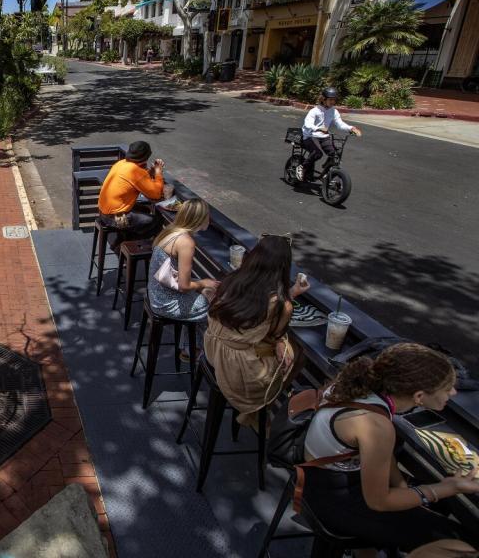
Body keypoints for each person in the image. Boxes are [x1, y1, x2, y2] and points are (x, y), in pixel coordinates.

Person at [302, 343, 479, 555]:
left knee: (441, 504)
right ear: (419, 397)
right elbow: (379, 501)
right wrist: (448, 488)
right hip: (332, 497)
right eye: (447, 387)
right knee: (463, 546)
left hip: (325, 477)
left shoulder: (363, 390)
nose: (453, 392)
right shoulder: (376, 425)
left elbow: (381, 458)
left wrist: (403, 486)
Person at [204, 235, 309, 427]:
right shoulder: (281, 304)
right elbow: (274, 334)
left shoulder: (234, 279)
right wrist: (280, 341)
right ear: (284, 267)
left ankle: (256, 412)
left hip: (212, 348)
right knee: (298, 355)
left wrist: (291, 292)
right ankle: (259, 411)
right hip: (237, 369)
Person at [147, 198, 219, 324]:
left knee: (208, 290)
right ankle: (196, 343)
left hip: (156, 294)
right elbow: (184, 286)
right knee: (219, 307)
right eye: (207, 215)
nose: (210, 218)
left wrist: (203, 285)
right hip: (166, 303)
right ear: (199, 218)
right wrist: (203, 283)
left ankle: (188, 343)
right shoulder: (186, 242)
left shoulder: (171, 230)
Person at [98, 141, 164, 241]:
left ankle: (125, 240)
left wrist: (149, 173)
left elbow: (136, 179)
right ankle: (125, 245)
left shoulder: (121, 163)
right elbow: (156, 195)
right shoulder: (136, 171)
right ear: (146, 157)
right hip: (115, 218)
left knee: (145, 210)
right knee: (156, 221)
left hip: (103, 212)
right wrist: (158, 173)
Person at [300, 87, 362, 180]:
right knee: (317, 153)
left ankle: (326, 171)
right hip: (310, 136)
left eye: (334, 100)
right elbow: (307, 124)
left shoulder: (333, 111)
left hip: (323, 136)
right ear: (323, 99)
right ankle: (302, 168)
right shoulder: (315, 111)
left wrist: (351, 128)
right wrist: (318, 128)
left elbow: (340, 124)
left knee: (335, 155)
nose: (333, 102)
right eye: (331, 100)